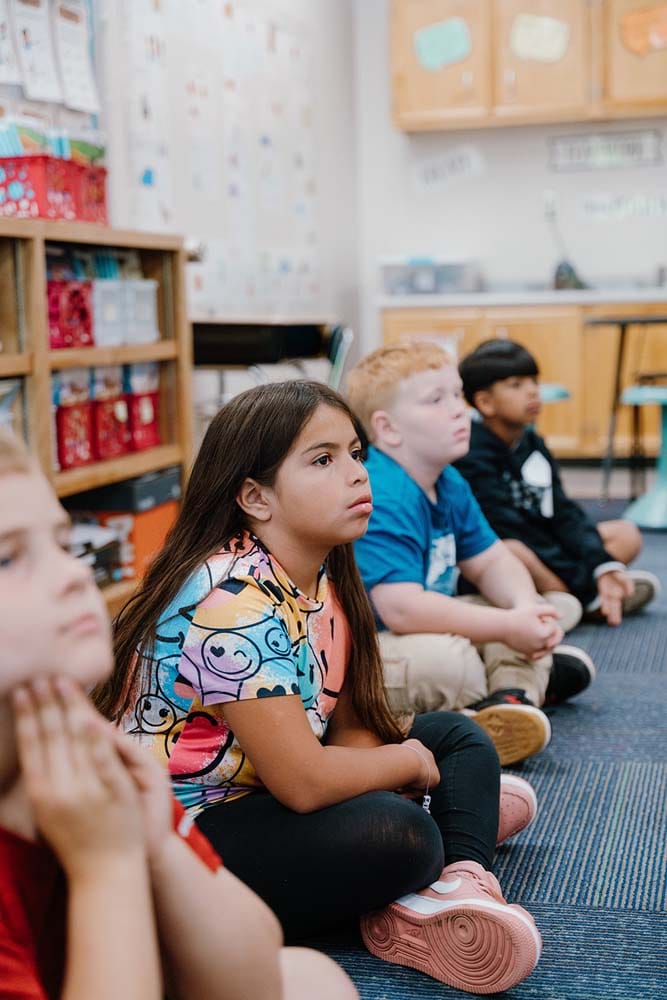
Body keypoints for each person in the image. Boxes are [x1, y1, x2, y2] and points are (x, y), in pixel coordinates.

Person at [95, 380, 543, 995]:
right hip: (192, 828)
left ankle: (461, 879)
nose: (358, 474)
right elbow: (303, 784)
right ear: (255, 497)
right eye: (324, 460)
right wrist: (404, 766)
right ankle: (430, 856)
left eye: (355, 453)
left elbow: (348, 725)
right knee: (400, 833)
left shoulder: (323, 567)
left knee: (461, 737)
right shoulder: (231, 603)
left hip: (266, 787)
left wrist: (394, 763)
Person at [0, 430, 356, 1000]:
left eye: (63, 545)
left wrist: (158, 841)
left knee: (314, 979)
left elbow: (254, 975)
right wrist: (108, 865)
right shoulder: (233, 593)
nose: (73, 574)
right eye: (9, 557)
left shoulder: (85, 753)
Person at [347, 344, 596, 768]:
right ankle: (512, 690)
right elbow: (402, 609)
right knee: (453, 663)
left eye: (457, 395)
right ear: (388, 429)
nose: (460, 411)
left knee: (547, 606)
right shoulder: (383, 491)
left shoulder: (449, 482)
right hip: (364, 651)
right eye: (435, 400)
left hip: (425, 626)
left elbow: (493, 561)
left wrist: (523, 608)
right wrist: (508, 626)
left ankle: (508, 701)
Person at [456, 339, 659, 626]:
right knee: (515, 551)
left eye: (533, 381)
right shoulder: (470, 453)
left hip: (548, 543)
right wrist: (582, 575)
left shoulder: (532, 442)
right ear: (485, 402)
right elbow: (508, 528)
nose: (532, 391)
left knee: (625, 534)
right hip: (508, 554)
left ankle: (579, 597)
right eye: (516, 384)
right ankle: (586, 598)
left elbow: (563, 510)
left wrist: (602, 563)